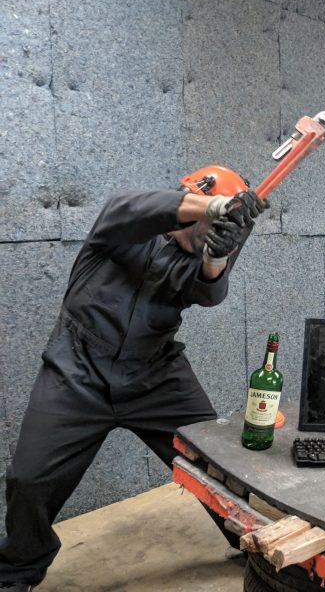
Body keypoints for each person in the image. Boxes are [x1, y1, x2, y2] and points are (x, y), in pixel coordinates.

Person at [0, 165, 268, 591]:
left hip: (155, 374)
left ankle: (254, 546)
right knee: (29, 480)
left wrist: (219, 254)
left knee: (218, 464)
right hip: (77, 370)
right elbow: (124, 207)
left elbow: (209, 293)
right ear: (191, 204)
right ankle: (17, 571)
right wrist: (214, 206)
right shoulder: (127, 228)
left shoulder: (197, 255)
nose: (209, 238)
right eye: (208, 226)